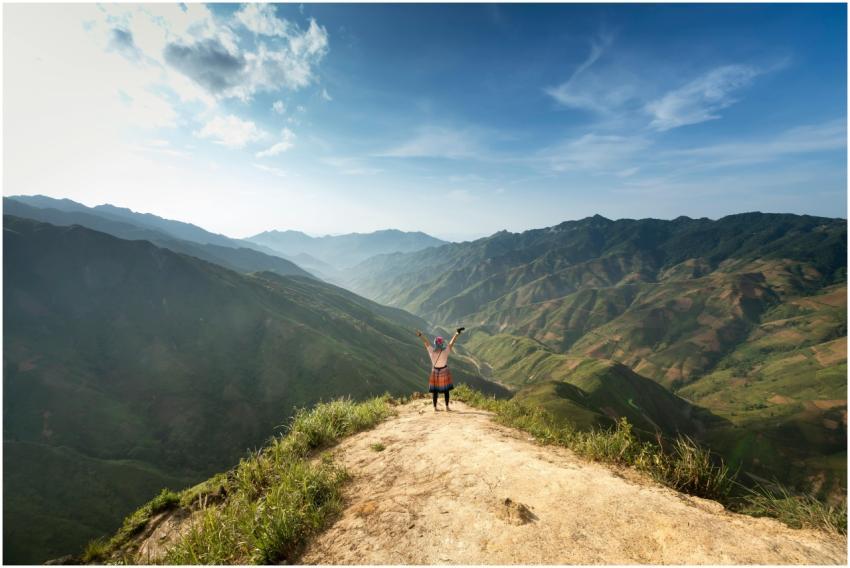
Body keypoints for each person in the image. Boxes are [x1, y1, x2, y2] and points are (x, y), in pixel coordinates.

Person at [416, 327, 464, 411]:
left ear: (435, 344)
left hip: (435, 372)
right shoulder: (445, 351)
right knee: (446, 390)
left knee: (435, 391)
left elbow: (426, 342)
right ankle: (447, 407)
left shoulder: (431, 351)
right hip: (444, 371)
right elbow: (451, 343)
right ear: (442, 344)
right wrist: (456, 334)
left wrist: (420, 335)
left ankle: (435, 407)